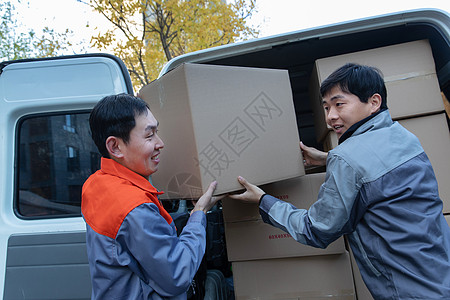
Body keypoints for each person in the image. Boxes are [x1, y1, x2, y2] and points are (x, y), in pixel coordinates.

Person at [229, 63, 450, 299]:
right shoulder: (403, 137)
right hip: (440, 273)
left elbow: (315, 230)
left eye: (339, 104)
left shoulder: (347, 159)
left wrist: (263, 200)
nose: (330, 117)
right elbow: (375, 171)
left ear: (374, 102)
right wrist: (327, 158)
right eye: (326, 107)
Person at [82, 93, 220, 299]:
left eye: (157, 132)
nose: (160, 143)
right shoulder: (134, 207)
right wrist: (199, 213)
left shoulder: (96, 184)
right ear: (115, 147)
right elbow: (177, 275)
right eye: (149, 136)